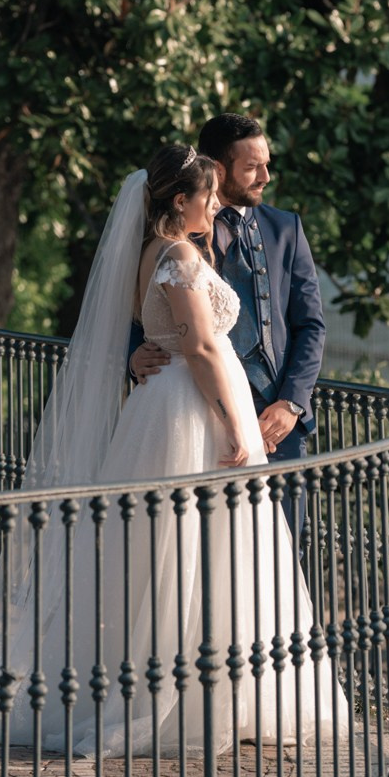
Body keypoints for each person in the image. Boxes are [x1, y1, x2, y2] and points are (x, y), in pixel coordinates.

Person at [0, 144, 343, 754]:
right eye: (207, 195)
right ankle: (179, 696)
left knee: (189, 545)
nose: (217, 204)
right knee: (186, 543)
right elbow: (203, 347)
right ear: (181, 201)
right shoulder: (178, 254)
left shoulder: (158, 251)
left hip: (175, 401)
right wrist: (234, 426)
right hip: (191, 408)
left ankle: (204, 687)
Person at [129, 113, 326, 527]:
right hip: (196, 412)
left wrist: (292, 403)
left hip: (276, 417)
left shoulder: (285, 228)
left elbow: (311, 324)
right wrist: (133, 356)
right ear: (218, 168)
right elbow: (140, 307)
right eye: (252, 166)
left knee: (282, 547)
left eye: (267, 164)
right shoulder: (178, 230)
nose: (265, 176)